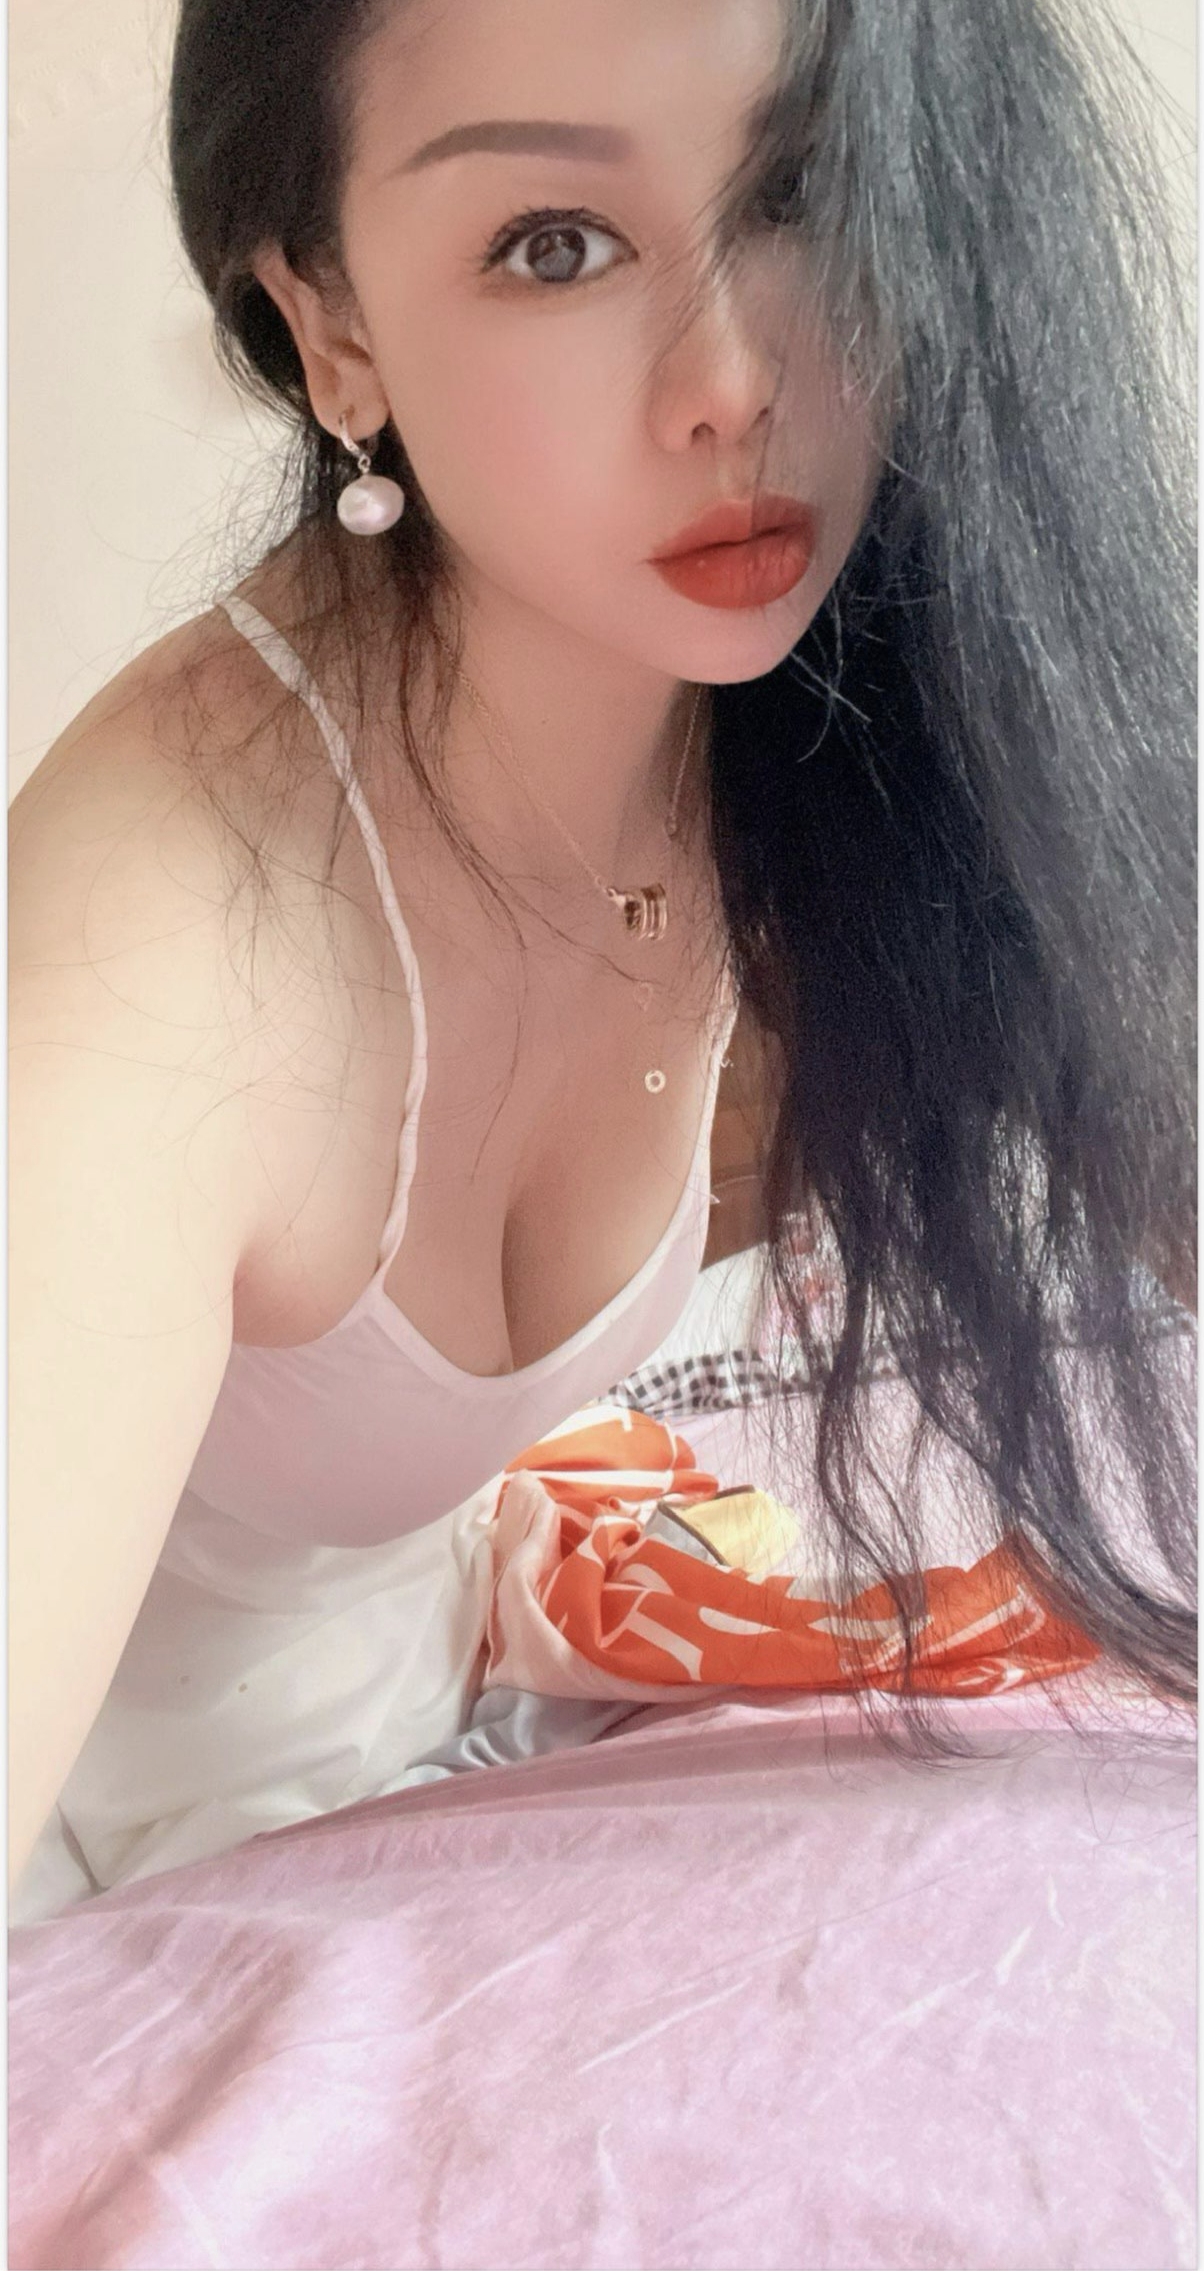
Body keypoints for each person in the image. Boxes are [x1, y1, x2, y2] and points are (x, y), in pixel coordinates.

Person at [9, 0, 1195, 1910]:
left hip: (454, 1736)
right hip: (115, 1890)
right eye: (552, 244)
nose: (733, 380)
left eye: (803, 186)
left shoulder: (805, 701)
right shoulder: (168, 945)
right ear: (332, 329)